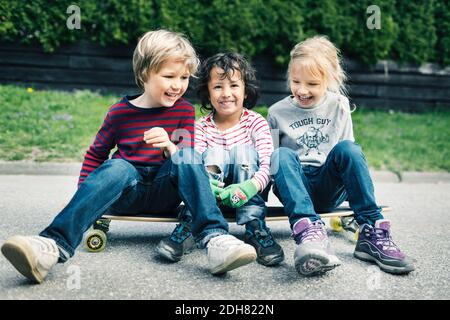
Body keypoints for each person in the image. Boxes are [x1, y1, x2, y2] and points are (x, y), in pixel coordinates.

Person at [1, 30, 257, 284]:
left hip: (164, 193)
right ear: (145, 74)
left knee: (187, 155)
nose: (178, 85)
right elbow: (95, 156)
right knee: (118, 166)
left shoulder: (183, 110)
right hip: (126, 194)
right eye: (169, 76)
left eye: (184, 77)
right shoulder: (119, 113)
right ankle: (51, 245)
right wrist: (84, 196)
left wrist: (169, 145)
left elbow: (188, 164)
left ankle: (215, 240)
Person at [267, 36, 414, 276]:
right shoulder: (276, 112)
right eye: (296, 81)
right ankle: (310, 235)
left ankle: (370, 231)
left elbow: (348, 158)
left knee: (349, 149)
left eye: (312, 84)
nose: (302, 90)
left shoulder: (339, 105)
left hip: (329, 185)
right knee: (281, 155)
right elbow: (271, 163)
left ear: (330, 79)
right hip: (295, 187)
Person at [157, 53, 284, 266]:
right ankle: (190, 223)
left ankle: (255, 228)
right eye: (218, 87)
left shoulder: (257, 123)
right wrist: (209, 187)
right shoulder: (201, 127)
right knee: (209, 155)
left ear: (246, 90)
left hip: (247, 198)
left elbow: (268, 166)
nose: (226, 94)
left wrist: (249, 187)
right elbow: (193, 168)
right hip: (210, 201)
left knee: (244, 151)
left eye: (234, 85)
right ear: (207, 91)